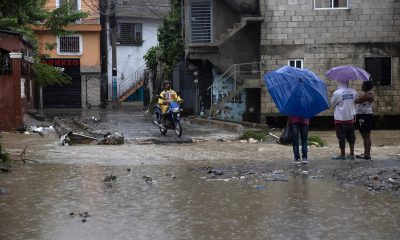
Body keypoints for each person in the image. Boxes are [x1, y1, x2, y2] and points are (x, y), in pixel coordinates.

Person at [331, 80, 357, 160]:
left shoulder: (337, 93)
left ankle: (342, 155)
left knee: (341, 137)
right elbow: (355, 102)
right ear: (347, 83)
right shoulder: (354, 92)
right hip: (350, 118)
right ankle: (352, 154)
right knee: (351, 137)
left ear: (339, 82)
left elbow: (332, 104)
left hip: (340, 119)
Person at [355, 80, 374, 160]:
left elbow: (357, 101)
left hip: (364, 116)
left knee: (366, 136)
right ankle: (366, 153)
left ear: (366, 86)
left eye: (363, 85)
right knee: (365, 136)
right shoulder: (367, 93)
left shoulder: (369, 94)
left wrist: (357, 98)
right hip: (364, 115)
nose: (361, 86)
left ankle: (367, 154)